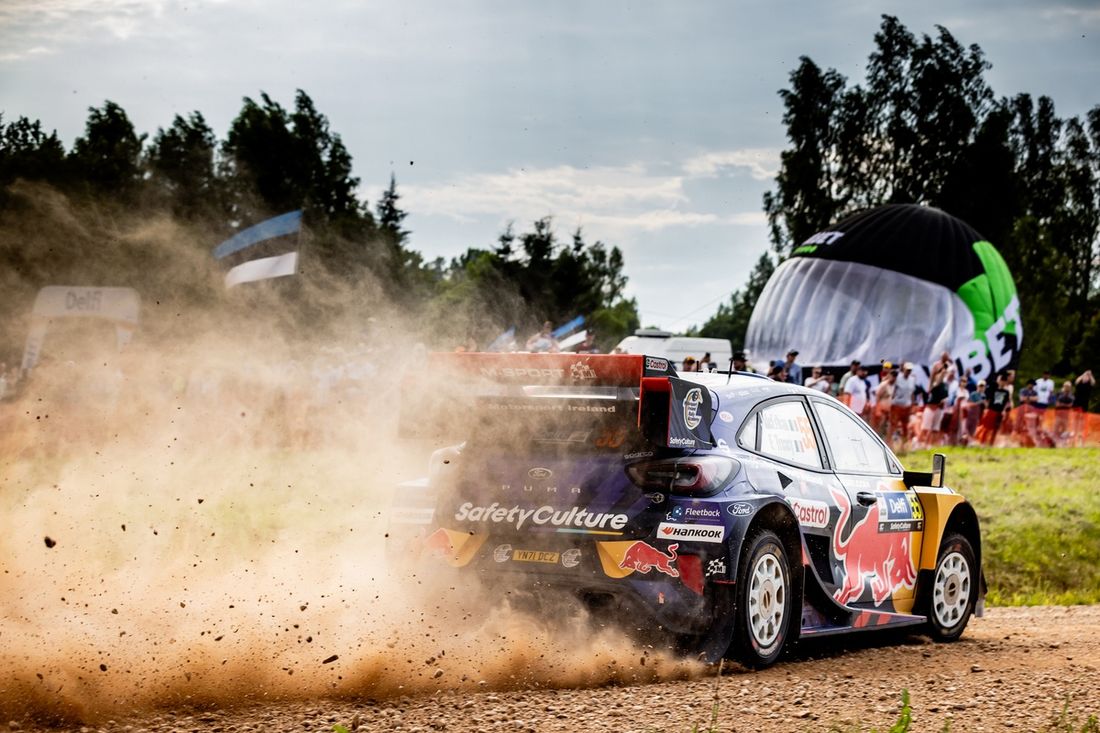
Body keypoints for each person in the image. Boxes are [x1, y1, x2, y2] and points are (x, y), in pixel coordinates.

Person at [872, 369, 895, 438]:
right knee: (879, 425)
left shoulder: (893, 385)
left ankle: (883, 439)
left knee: (885, 426)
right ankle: (877, 438)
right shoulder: (884, 384)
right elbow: (877, 396)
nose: (893, 378)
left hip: (888, 410)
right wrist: (877, 409)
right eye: (892, 376)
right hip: (881, 409)